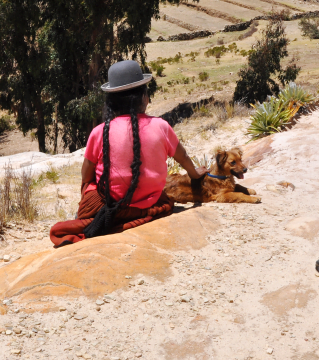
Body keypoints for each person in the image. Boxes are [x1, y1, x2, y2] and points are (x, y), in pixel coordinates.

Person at [50, 60, 207, 247]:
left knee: (90, 186)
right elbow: (183, 158)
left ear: (111, 103)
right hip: (149, 203)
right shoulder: (162, 126)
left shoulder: (100, 131)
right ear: (144, 98)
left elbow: (86, 176)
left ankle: (90, 214)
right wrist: (194, 174)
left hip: (111, 204)